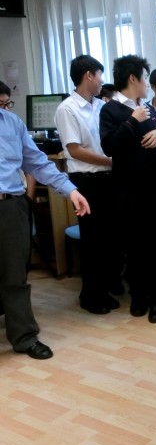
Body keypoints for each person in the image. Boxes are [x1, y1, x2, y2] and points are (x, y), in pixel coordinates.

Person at [0, 106, 90, 360]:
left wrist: (70, 190)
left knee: (14, 275)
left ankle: (24, 337)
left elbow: (37, 162)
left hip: (9, 206)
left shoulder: (12, 122)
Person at [99, 55, 156, 323]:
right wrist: (132, 121)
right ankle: (139, 297)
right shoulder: (110, 110)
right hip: (128, 190)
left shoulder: (147, 107)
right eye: (145, 78)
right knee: (135, 246)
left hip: (154, 187)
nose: (147, 84)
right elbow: (109, 146)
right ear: (132, 79)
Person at [54, 55, 120, 315]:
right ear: (88, 76)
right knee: (92, 240)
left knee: (107, 239)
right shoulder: (67, 109)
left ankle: (102, 290)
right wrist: (111, 161)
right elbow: (75, 150)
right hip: (86, 181)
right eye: (99, 75)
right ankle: (91, 297)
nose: (102, 81)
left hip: (105, 178)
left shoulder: (100, 105)